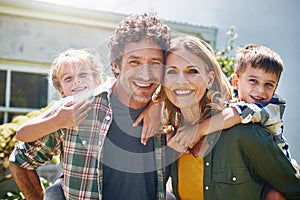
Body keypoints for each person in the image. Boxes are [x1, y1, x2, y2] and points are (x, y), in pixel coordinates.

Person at [10, 13, 171, 200]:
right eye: (134, 62)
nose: (145, 74)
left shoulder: (169, 113)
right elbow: (20, 161)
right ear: (116, 64)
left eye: (155, 63)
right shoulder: (74, 110)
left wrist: (160, 103)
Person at [159, 35, 300, 199]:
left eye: (192, 71)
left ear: (209, 79)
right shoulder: (168, 136)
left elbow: (295, 190)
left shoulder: (245, 134)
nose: (181, 81)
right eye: (171, 71)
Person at [9, 48, 103, 200]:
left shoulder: (114, 103)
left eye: (83, 74)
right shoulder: (63, 112)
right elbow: (21, 135)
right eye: (68, 78)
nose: (77, 81)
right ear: (61, 90)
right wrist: (58, 121)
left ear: (98, 79)